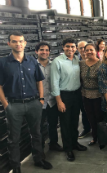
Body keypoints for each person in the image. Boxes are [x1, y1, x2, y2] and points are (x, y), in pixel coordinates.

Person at [0, 31, 52, 173]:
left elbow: (39, 81)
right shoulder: (3, 63)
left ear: (25, 43)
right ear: (9, 43)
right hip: (14, 105)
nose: (18, 44)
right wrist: (6, 105)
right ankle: (16, 166)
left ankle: (39, 159)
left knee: (37, 133)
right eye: (15, 41)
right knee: (13, 139)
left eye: (21, 41)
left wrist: (41, 99)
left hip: (33, 103)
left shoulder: (32, 61)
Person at [51, 38, 87, 162]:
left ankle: (74, 143)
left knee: (75, 120)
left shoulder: (77, 59)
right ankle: (68, 149)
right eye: (67, 46)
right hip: (64, 95)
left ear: (76, 48)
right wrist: (59, 101)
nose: (70, 49)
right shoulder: (57, 61)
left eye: (72, 47)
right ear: (63, 47)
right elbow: (54, 82)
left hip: (76, 94)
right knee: (65, 123)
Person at [35, 42, 63, 152]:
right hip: (38, 102)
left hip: (52, 100)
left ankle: (53, 144)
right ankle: (40, 148)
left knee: (53, 124)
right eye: (41, 50)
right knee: (39, 127)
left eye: (46, 50)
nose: (44, 52)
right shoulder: (33, 65)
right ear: (36, 51)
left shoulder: (54, 65)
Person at [80, 43, 103, 146]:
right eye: (87, 50)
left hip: (99, 95)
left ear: (95, 51)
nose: (89, 52)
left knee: (99, 117)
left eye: (91, 50)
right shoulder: (81, 64)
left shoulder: (102, 64)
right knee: (90, 117)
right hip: (86, 95)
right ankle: (94, 137)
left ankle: (102, 137)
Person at [77, 41, 92, 139]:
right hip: (81, 91)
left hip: (94, 91)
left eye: (85, 48)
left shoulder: (94, 60)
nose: (83, 50)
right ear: (78, 49)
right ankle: (86, 128)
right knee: (84, 110)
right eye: (81, 48)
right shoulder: (75, 61)